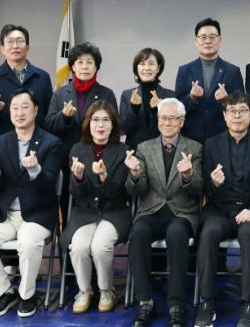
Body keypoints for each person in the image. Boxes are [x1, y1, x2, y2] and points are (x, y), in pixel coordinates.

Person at [0, 88, 62, 319]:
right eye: (15, 108)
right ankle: (3, 292)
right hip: (5, 214)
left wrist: (35, 170)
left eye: (25, 107)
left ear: (36, 110)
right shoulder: (1, 142)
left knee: (28, 243)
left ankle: (27, 296)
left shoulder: (52, 143)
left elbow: (50, 183)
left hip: (37, 214)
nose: (20, 113)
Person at [194, 91, 250, 327]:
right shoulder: (212, 144)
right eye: (232, 111)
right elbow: (206, 189)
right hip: (220, 209)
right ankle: (206, 303)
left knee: (248, 234)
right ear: (224, 115)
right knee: (208, 232)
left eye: (242, 111)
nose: (237, 116)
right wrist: (215, 184)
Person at [125, 98, 203, 327]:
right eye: (162, 118)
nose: (166, 123)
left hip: (181, 212)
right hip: (152, 210)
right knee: (138, 233)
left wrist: (188, 175)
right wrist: (135, 174)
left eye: (172, 118)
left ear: (182, 121)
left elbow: (199, 188)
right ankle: (145, 302)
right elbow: (136, 189)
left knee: (177, 235)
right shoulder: (144, 148)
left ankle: (176, 305)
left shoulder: (194, 148)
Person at [60, 100, 131, 314]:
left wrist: (104, 177)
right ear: (88, 124)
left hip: (114, 212)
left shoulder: (123, 150)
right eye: (95, 120)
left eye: (106, 120)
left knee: (100, 246)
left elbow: (123, 193)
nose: (100, 125)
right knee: (79, 246)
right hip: (85, 212)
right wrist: (79, 178)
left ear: (113, 124)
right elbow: (75, 193)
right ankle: (84, 291)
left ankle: (107, 290)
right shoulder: (77, 149)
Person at [44, 42, 117, 223]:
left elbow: (114, 127)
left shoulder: (106, 94)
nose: (84, 67)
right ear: (73, 67)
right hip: (67, 161)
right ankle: (68, 239)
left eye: (89, 62)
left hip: (98, 161)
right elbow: (48, 125)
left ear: (96, 67)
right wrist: (64, 117)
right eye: (80, 62)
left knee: (97, 206)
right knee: (67, 208)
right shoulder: (60, 94)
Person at [0, 24, 53, 140]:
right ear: (2, 49)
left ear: (27, 47)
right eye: (10, 42)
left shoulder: (42, 77)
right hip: (4, 145)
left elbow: (50, 116)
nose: (15, 46)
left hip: (38, 143)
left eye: (20, 41)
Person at [175, 18, 245, 143]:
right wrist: (192, 98)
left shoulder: (233, 71)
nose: (208, 41)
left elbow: (242, 107)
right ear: (196, 41)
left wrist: (226, 100)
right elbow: (177, 109)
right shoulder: (184, 71)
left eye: (212, 37)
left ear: (220, 40)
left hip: (223, 138)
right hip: (191, 139)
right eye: (203, 37)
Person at [120, 47, 175, 150]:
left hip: (162, 152)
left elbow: (173, 129)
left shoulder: (170, 96)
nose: (147, 68)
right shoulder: (127, 95)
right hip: (134, 152)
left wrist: (156, 111)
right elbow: (123, 130)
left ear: (158, 68)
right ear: (137, 68)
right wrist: (134, 109)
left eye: (151, 64)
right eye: (142, 64)